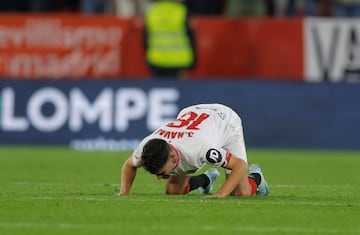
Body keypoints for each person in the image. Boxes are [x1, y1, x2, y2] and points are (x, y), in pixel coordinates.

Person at [118, 103, 269, 198]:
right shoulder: (147, 146)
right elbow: (129, 165)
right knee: (172, 191)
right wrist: (124, 192)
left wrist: (220, 194)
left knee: (241, 193)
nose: (159, 178)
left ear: (172, 156)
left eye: (161, 173)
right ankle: (206, 180)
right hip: (193, 115)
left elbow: (240, 165)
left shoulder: (200, 150)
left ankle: (257, 177)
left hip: (225, 122)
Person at [143, 0, 196, 79]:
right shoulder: (181, 10)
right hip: (180, 60)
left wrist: (148, 57)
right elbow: (191, 36)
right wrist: (194, 59)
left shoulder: (152, 11)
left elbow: (145, 37)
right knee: (181, 90)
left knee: (160, 89)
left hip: (157, 60)